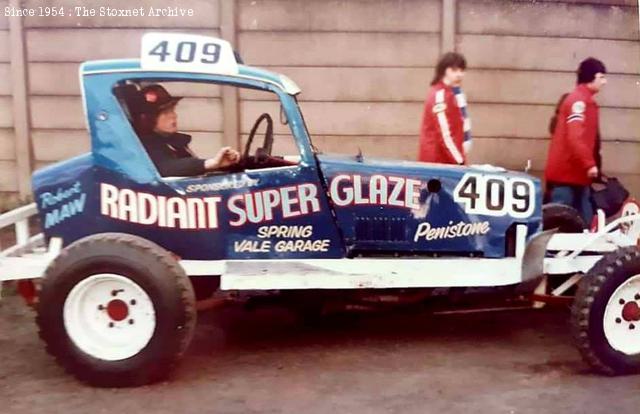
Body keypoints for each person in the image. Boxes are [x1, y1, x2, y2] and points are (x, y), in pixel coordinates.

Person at [544, 57, 607, 224]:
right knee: (561, 222)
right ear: (591, 77)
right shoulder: (578, 102)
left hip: (576, 176)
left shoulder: (583, 101)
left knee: (579, 223)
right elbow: (575, 137)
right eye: (601, 77)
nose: (604, 82)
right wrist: (589, 164)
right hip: (568, 176)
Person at [133, 84, 240, 177]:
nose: (174, 115)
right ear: (147, 119)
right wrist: (209, 163)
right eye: (166, 113)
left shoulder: (173, 142)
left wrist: (233, 162)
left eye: (173, 110)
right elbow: (166, 167)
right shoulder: (144, 145)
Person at [418, 52, 472, 165]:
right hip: (439, 162)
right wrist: (459, 161)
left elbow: (463, 126)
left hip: (449, 160)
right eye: (454, 70)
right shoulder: (440, 95)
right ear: (444, 70)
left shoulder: (455, 92)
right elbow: (444, 134)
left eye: (462, 70)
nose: (459, 74)